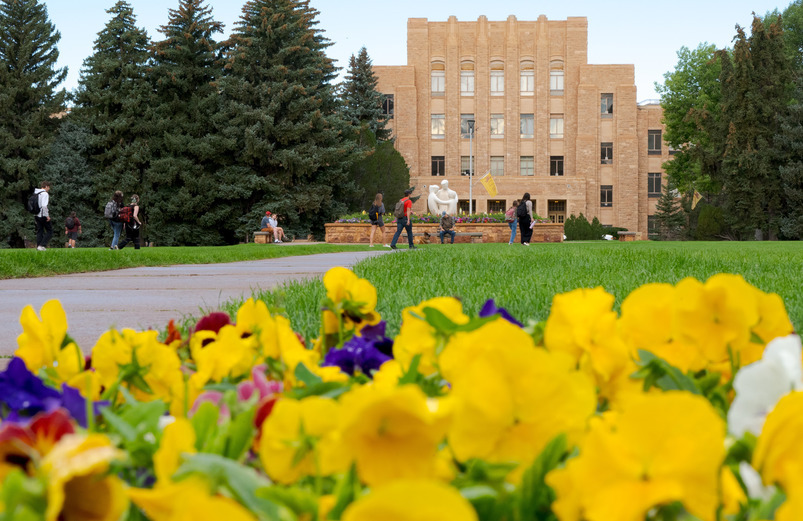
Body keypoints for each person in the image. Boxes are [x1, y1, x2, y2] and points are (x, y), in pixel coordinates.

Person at [33, 181, 52, 251]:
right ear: (46, 186)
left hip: (36, 214)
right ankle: (42, 245)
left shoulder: (36, 193)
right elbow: (44, 205)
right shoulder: (45, 194)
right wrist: (47, 216)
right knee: (50, 231)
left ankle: (38, 246)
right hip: (42, 214)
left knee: (40, 231)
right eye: (49, 187)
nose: (49, 189)